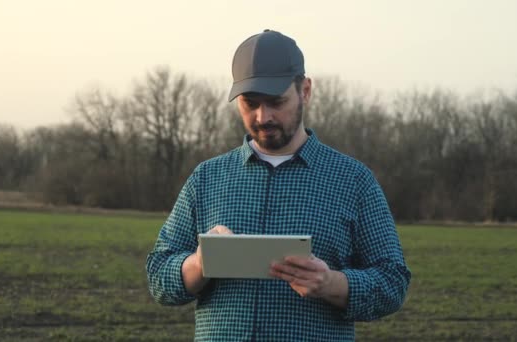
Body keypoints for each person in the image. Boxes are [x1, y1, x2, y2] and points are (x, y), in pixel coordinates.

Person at [146, 29, 411, 341]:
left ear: (306, 90)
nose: (263, 116)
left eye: (276, 102)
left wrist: (331, 283)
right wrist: (200, 263)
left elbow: (393, 282)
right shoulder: (206, 178)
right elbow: (158, 276)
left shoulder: (354, 181)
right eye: (250, 103)